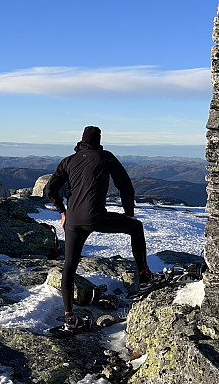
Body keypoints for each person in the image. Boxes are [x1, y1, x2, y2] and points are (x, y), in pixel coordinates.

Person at [45, 126, 152, 329]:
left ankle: (69, 317)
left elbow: (50, 188)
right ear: (99, 140)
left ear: (82, 140)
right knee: (136, 227)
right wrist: (129, 212)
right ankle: (144, 273)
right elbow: (125, 185)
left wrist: (62, 211)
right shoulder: (106, 157)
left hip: (73, 221)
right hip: (97, 217)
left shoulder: (68, 160)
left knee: (69, 267)